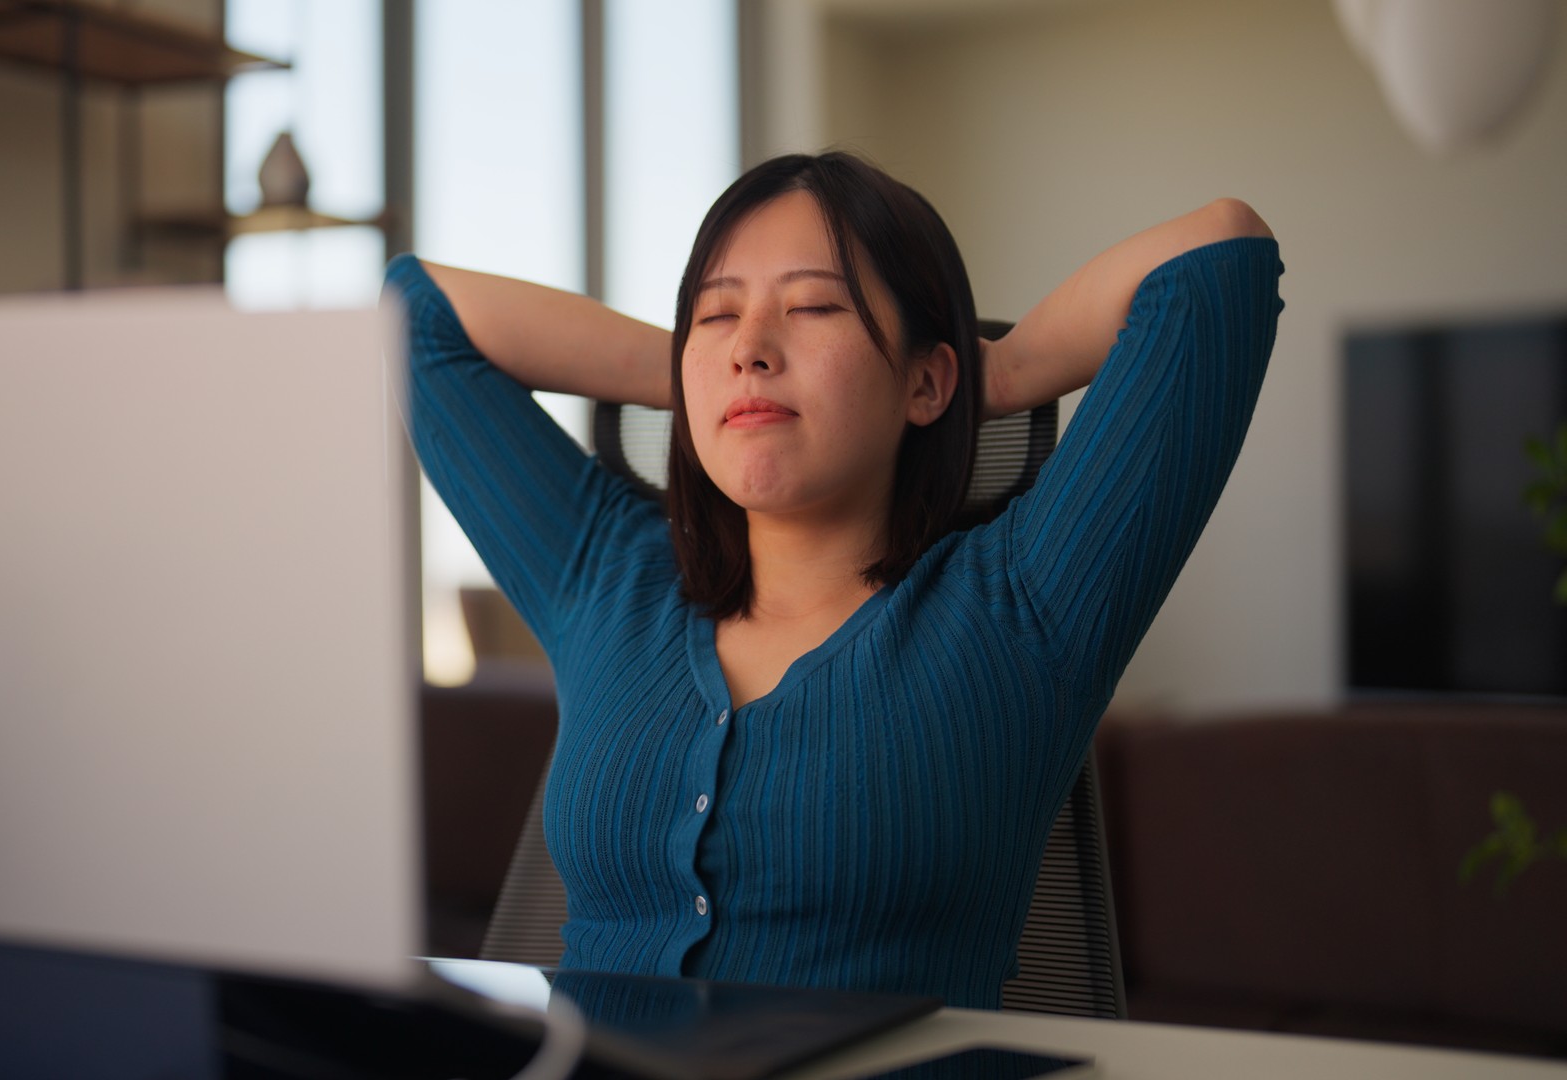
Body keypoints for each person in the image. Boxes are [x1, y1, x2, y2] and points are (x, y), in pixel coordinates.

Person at [383, 151, 1282, 1009]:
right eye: (717, 313)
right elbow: (413, 315)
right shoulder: (611, 578)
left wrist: (994, 375)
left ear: (927, 382)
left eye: (815, 308)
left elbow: (1218, 257)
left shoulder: (1024, 605)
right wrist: (701, 380)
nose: (752, 347)